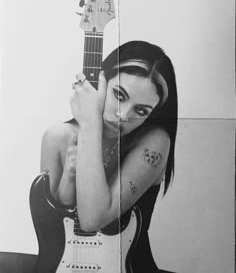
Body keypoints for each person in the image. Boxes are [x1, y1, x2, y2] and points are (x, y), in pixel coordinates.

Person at [40, 40, 178, 272]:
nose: (123, 116)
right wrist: (67, 182)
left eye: (141, 110)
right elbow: (49, 228)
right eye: (119, 95)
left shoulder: (154, 141)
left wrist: (90, 123)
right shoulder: (57, 138)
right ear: (100, 80)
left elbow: (93, 218)